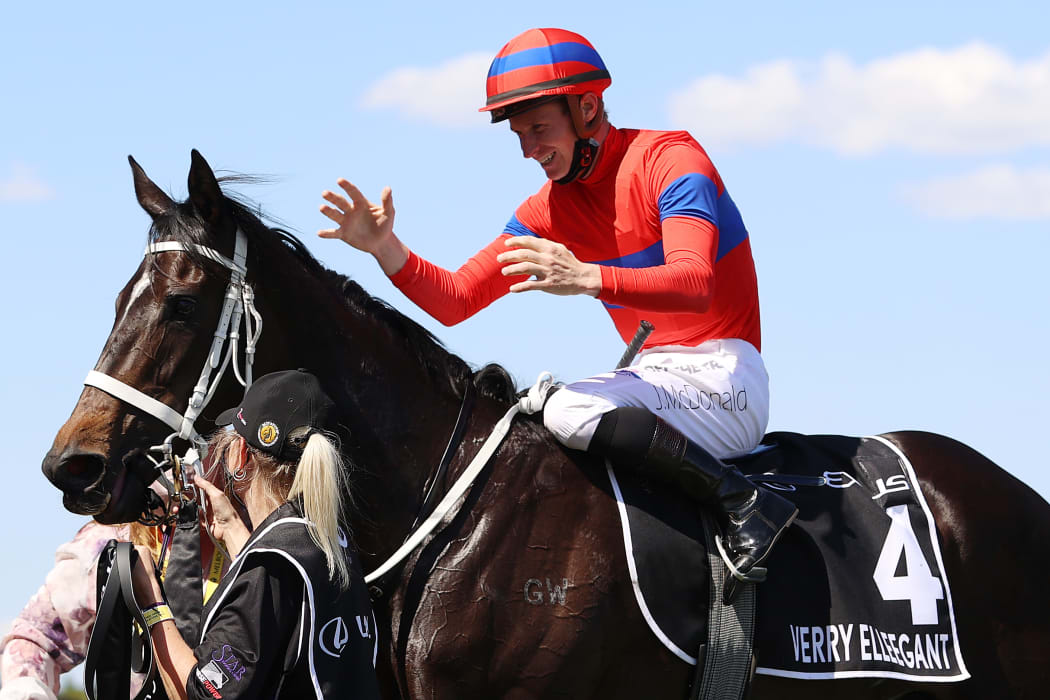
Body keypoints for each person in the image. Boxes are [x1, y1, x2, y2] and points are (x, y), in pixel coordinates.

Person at [318, 28, 796, 590]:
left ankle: (743, 502)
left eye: (539, 129)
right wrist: (385, 249)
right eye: (519, 136)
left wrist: (586, 277)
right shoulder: (545, 210)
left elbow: (694, 282)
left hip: (726, 376)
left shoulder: (671, 159)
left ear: (588, 105)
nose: (529, 149)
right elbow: (455, 299)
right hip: (656, 381)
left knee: (567, 411)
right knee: (535, 429)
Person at [129, 369, 381, 700]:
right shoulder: (330, 541)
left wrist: (150, 602)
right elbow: (284, 617)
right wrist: (238, 537)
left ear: (241, 456)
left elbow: (204, 695)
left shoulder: (271, 564)